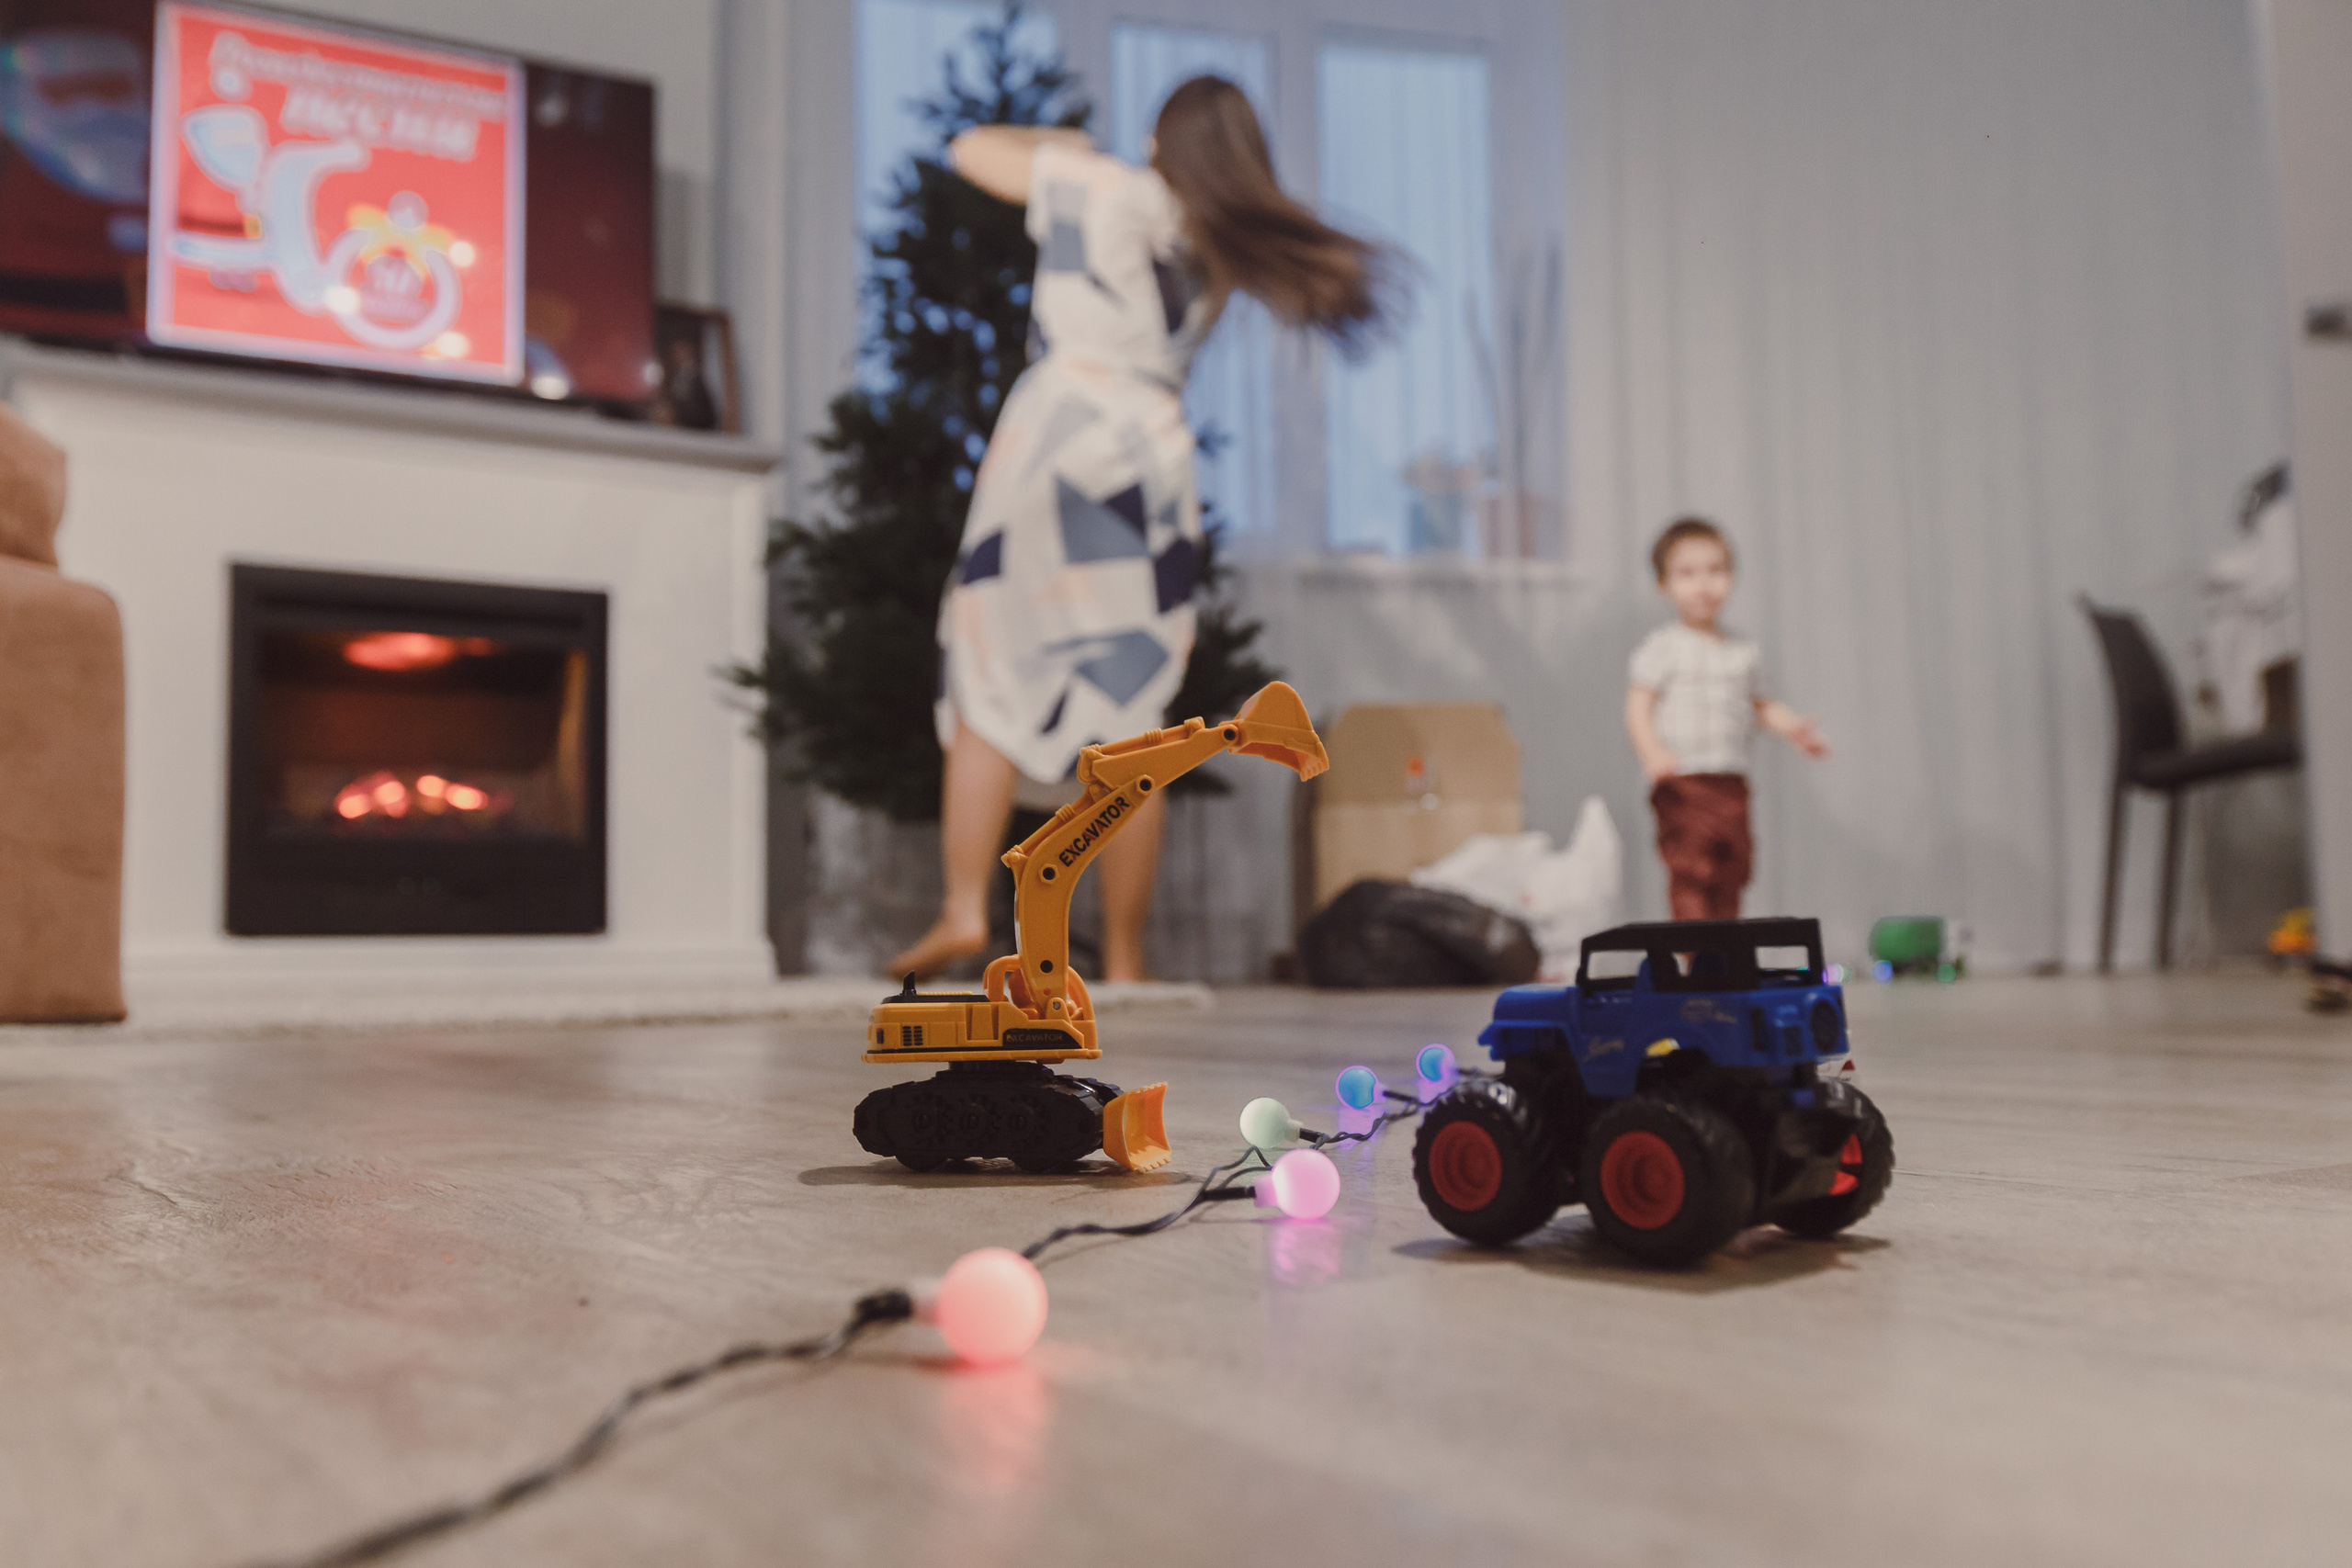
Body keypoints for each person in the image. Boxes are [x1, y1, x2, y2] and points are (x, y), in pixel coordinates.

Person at [890, 77, 1394, 981]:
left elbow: (969, 151)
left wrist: (1062, 145)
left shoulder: (1101, 187)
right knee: (1129, 709)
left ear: (1162, 141)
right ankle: (1125, 956)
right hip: (1148, 466)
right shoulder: (1218, 245)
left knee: (989, 666)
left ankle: (966, 905)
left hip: (1057, 444)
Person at [1624, 517, 1828, 921]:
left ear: (1732, 577)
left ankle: (1724, 949)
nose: (1704, 583)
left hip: (1731, 781)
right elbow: (1638, 706)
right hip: (1683, 780)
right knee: (1691, 868)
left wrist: (1793, 728)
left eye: (1715, 570)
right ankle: (1695, 951)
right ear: (1664, 585)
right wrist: (1653, 754)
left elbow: (1761, 705)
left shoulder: (1742, 651)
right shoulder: (1663, 647)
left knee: (1732, 868)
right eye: (1687, 573)